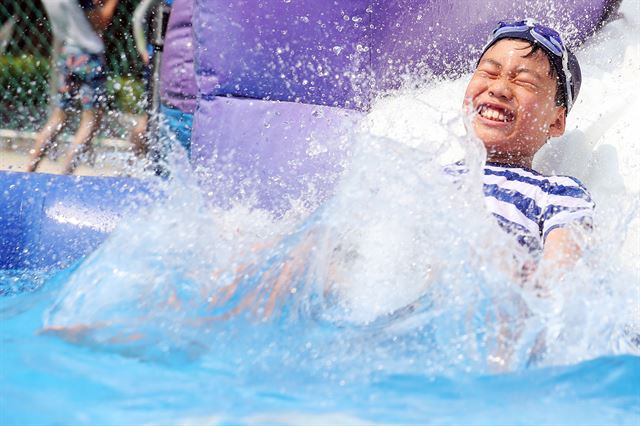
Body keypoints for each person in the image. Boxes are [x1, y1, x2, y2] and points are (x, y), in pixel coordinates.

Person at [462, 19, 594, 271]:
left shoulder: (555, 192)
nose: (499, 88)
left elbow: (560, 273)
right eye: (489, 73)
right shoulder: (427, 175)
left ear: (556, 121)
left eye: (524, 81)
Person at [26, 0, 118, 174]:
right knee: (91, 119)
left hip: (67, 53)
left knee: (59, 116)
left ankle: (30, 169)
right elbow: (100, 21)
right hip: (88, 55)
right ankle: (65, 173)